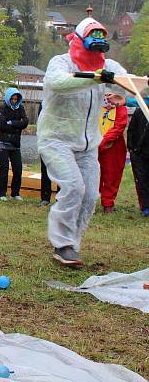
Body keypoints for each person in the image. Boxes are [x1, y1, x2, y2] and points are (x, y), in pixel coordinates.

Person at [38, 17, 127, 267]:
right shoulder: (60, 63)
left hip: (87, 146)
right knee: (74, 188)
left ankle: (72, 246)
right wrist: (96, 78)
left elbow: (127, 84)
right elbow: (58, 83)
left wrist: (127, 87)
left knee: (89, 196)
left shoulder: (108, 66)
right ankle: (62, 244)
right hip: (56, 140)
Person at [0, 87, 29, 201]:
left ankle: (15, 193)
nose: (14, 101)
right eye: (12, 99)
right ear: (8, 98)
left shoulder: (21, 108)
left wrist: (12, 123)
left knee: (18, 169)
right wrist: (17, 124)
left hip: (15, 144)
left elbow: (25, 123)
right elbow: (2, 125)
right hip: (2, 143)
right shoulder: (2, 108)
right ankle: (1, 193)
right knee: (4, 168)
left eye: (16, 99)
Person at [97, 94, 128, 213]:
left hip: (114, 148)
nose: (108, 98)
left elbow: (119, 127)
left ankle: (108, 203)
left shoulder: (121, 109)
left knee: (112, 175)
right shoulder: (96, 108)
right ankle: (90, 200)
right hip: (94, 146)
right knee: (92, 175)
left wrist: (102, 141)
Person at [126, 95, 149, 217]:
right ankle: (145, 207)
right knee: (142, 181)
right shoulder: (140, 111)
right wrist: (132, 148)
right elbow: (131, 130)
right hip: (139, 154)